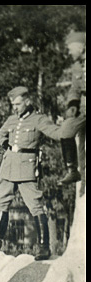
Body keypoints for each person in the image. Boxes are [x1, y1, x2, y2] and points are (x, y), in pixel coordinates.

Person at [0, 86, 62, 261]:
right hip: (9, 165)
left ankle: (43, 247)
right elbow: (0, 134)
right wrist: (8, 149)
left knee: (35, 204)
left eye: (17, 104)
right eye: (12, 104)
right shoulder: (11, 120)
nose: (14, 108)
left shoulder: (38, 119)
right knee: (2, 201)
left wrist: (68, 129)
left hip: (26, 167)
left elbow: (55, 132)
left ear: (27, 101)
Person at [57, 31, 85, 186]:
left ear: (81, 48)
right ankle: (72, 170)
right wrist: (73, 104)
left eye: (71, 48)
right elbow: (75, 88)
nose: (69, 52)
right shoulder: (77, 66)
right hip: (83, 105)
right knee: (66, 129)